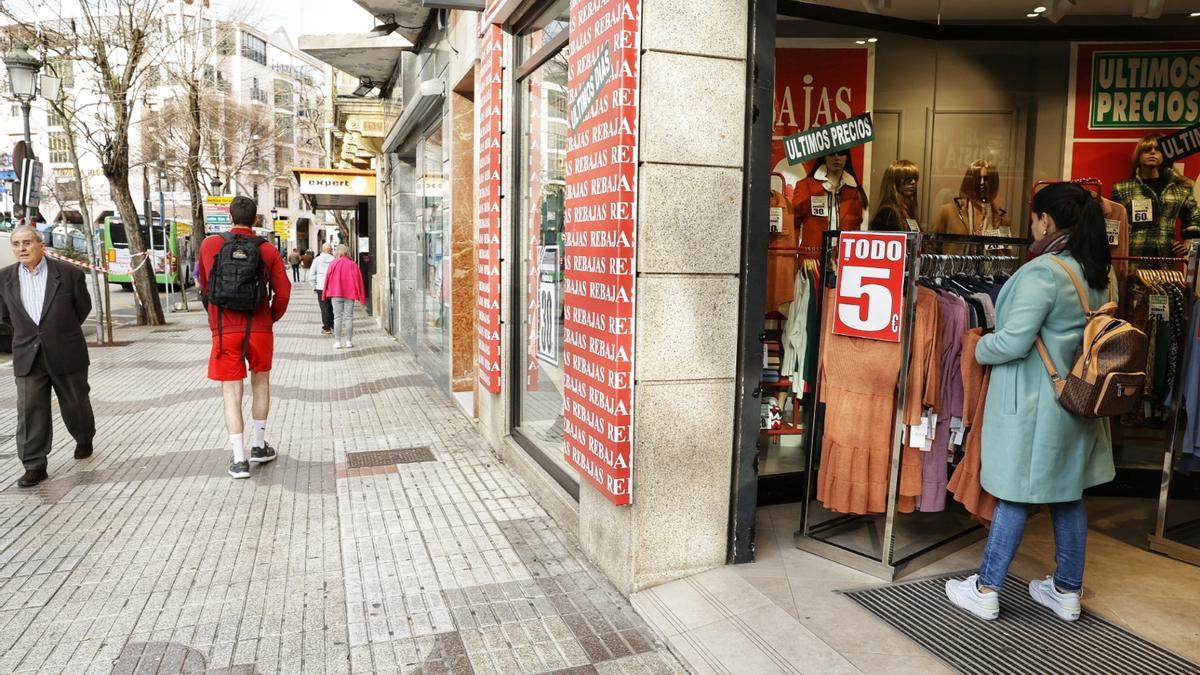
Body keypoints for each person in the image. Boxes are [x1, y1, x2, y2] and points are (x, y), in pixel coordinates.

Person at [945, 182, 1114, 623]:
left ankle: (985, 588)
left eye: (1034, 216)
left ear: (1047, 220)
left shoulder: (1045, 272)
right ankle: (1066, 590)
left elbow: (1014, 342)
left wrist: (975, 347)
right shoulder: (1098, 271)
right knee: (1067, 495)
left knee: (1015, 493)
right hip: (1077, 401)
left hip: (1037, 405)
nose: (1031, 224)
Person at [198, 196, 291, 479]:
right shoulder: (267, 249)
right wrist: (270, 316)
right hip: (259, 326)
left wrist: (215, 319)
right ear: (255, 219)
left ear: (230, 216)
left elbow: (204, 285)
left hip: (225, 330)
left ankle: (239, 461)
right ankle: (259, 446)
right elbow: (284, 290)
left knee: (231, 393)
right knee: (260, 383)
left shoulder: (210, 245)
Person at [0, 225, 96, 487]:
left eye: (27, 243)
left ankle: (84, 437)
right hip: (27, 355)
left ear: (41, 245)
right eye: (16, 244)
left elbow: (82, 308)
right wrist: (30, 334)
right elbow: (6, 316)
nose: (22, 248)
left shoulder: (68, 273)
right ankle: (34, 464)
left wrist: (59, 330)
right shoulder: (4, 278)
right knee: (30, 411)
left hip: (66, 350)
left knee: (75, 402)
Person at [1110, 133, 1200, 258]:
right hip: (1133, 257)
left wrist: (1189, 239)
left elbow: (1194, 216)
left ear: (1165, 155)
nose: (1152, 153)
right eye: (1146, 150)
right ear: (1138, 155)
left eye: (1157, 149)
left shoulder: (1179, 190)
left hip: (1167, 258)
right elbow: (1113, 224)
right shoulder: (1122, 189)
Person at [792, 150, 868, 247]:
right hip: (811, 260)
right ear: (824, 157)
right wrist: (793, 255)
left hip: (842, 258)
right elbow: (793, 224)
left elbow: (855, 232)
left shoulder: (854, 192)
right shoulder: (805, 186)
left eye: (841, 153)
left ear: (847, 157)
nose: (836, 157)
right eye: (831, 153)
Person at [323, 244, 367, 349]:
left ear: (337, 252)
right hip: (349, 294)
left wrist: (324, 293)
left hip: (335, 294)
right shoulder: (352, 264)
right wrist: (361, 298)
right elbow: (359, 281)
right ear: (347, 252)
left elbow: (327, 279)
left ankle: (337, 342)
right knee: (349, 318)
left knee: (337, 318)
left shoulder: (333, 264)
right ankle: (349, 341)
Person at [870, 160, 921, 232]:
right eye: (908, 178)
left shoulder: (908, 211)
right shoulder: (888, 214)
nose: (913, 182)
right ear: (894, 180)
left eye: (915, 178)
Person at [309, 243, 335, 335]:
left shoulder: (317, 260)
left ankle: (326, 328)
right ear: (331, 250)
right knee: (332, 307)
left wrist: (313, 286)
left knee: (324, 307)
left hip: (320, 286)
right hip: (332, 287)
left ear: (322, 250)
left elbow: (312, 274)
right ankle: (334, 326)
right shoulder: (334, 260)